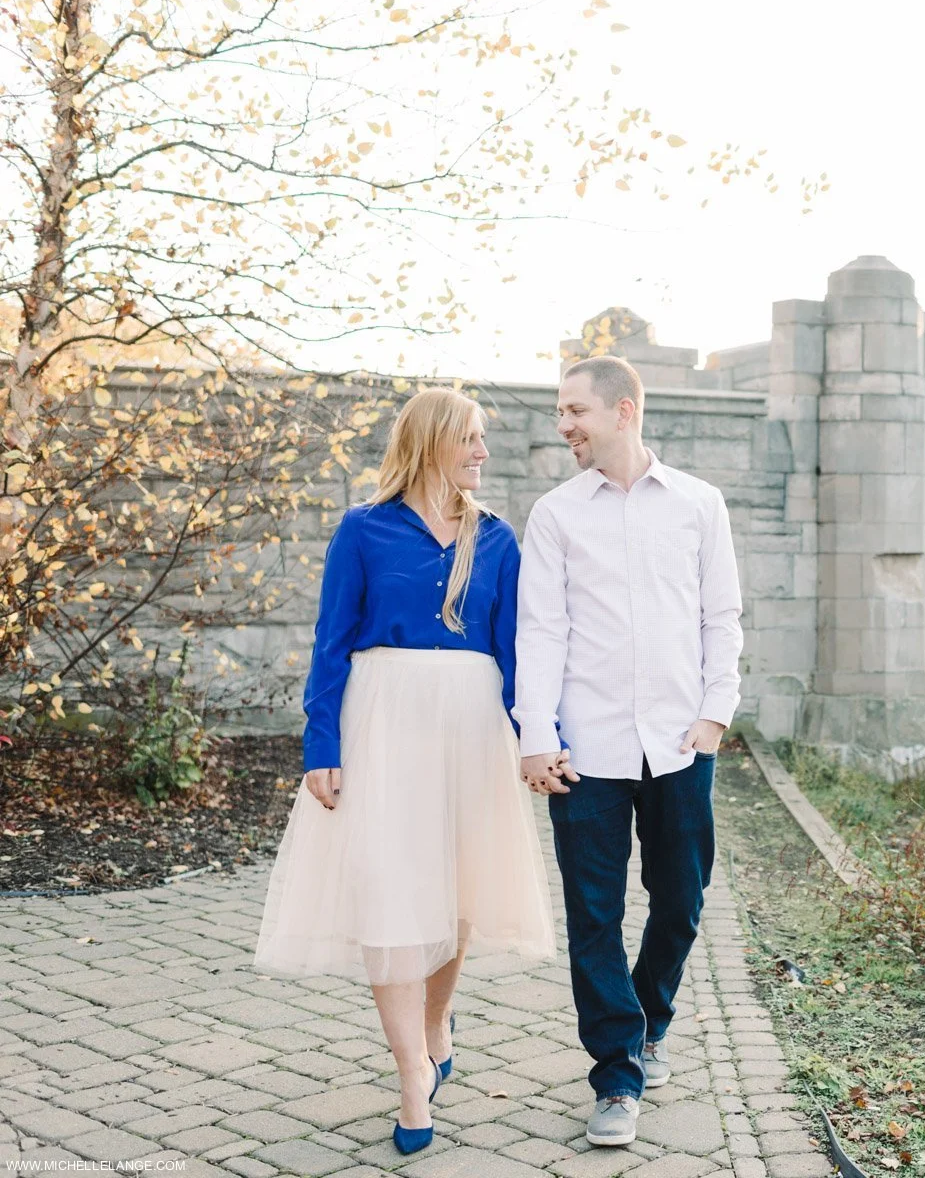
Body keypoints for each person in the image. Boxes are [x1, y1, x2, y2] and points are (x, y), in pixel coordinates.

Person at [254, 387, 555, 1156]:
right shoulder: (363, 529)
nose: (483, 452)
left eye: (483, 438)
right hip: (383, 722)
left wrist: (538, 738)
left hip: (471, 727)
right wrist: (322, 746)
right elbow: (331, 642)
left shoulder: (497, 539)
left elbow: (517, 655)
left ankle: (435, 1023)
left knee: (455, 890)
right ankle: (412, 1073)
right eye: (471, 438)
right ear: (429, 444)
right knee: (389, 886)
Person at [513, 355, 743, 1148]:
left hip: (681, 744)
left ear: (624, 410)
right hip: (587, 750)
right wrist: (536, 736)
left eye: (575, 410)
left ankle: (650, 1017)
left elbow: (721, 617)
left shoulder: (699, 505)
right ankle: (616, 1074)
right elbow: (540, 630)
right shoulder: (555, 515)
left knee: (681, 899)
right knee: (594, 917)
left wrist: (714, 715)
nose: (564, 425)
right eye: (560, 412)